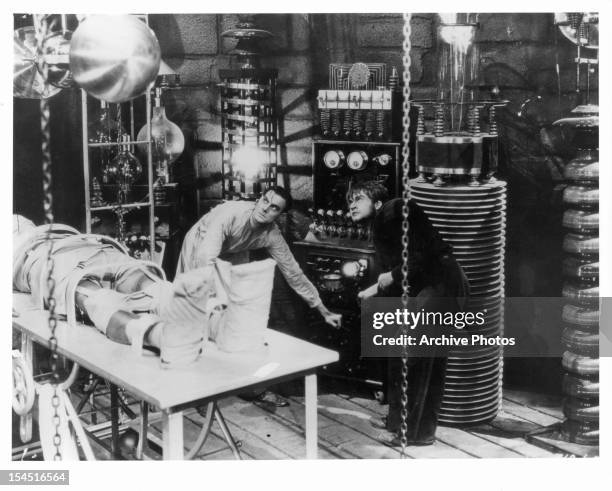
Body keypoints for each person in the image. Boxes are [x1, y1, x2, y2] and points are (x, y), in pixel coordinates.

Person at [178, 186, 342, 405]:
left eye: (274, 208)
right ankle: (196, 392)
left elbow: (293, 272)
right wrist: (212, 298)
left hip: (234, 252)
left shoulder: (272, 234)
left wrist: (322, 308)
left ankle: (250, 387)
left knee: (241, 317)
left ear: (279, 215)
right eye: (265, 201)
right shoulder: (230, 214)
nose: (266, 208)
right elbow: (205, 260)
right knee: (194, 310)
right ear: (259, 199)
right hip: (200, 245)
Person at [347, 181, 469, 446]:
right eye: (350, 200)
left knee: (418, 362)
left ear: (378, 202)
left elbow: (421, 258)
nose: (352, 205)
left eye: (358, 198)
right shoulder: (383, 222)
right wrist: (375, 288)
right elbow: (404, 269)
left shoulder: (393, 210)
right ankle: (398, 422)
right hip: (431, 287)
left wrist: (387, 278)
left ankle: (414, 434)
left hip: (441, 287)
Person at [13, 215, 213, 369]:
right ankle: (210, 319)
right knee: (139, 279)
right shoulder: (22, 222)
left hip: (48, 260)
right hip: (84, 244)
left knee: (94, 296)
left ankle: (160, 335)